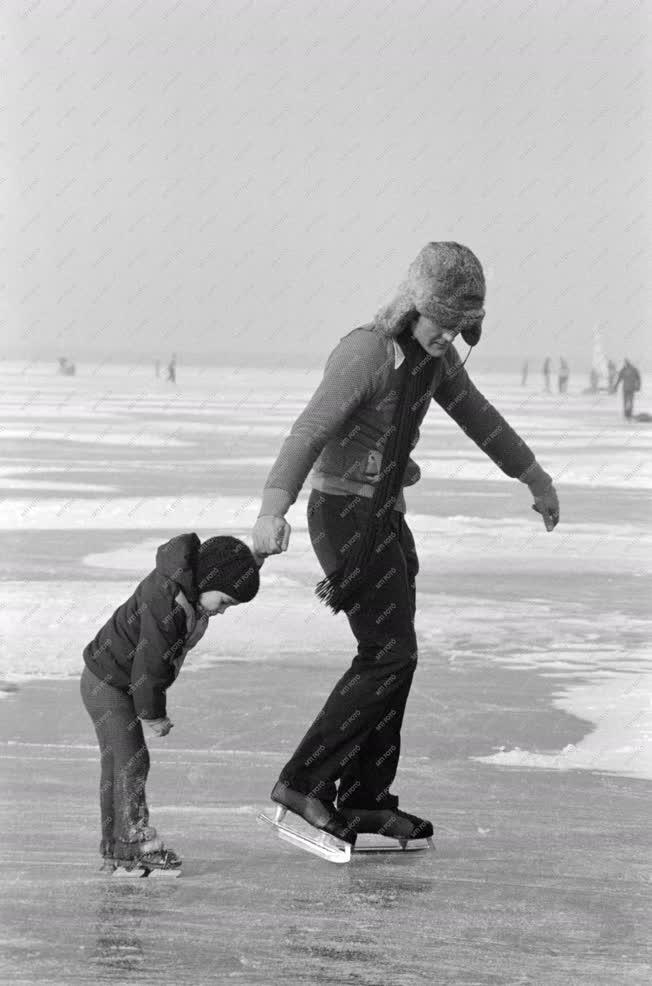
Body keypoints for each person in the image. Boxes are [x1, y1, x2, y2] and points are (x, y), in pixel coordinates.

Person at [252, 241, 560, 850]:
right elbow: (310, 429)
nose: (450, 335)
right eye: (443, 321)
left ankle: (365, 797)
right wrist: (271, 509)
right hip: (342, 515)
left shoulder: (433, 361)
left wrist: (534, 477)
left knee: (399, 656)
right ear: (416, 304)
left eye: (461, 326)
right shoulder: (368, 352)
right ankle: (303, 783)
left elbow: (482, 418)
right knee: (387, 653)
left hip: (384, 518)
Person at [81, 534, 260, 873]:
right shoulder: (167, 601)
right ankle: (131, 843)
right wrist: (153, 715)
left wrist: (256, 559)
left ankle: (118, 846)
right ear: (209, 580)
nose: (221, 610)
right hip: (109, 684)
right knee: (132, 761)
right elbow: (150, 664)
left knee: (119, 764)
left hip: (112, 680)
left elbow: (226, 572)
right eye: (223, 601)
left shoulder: (193, 586)